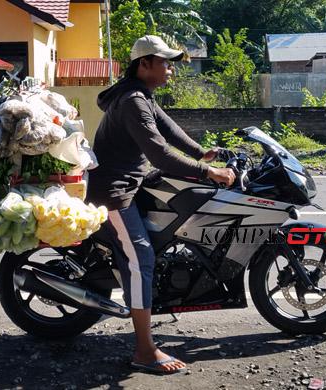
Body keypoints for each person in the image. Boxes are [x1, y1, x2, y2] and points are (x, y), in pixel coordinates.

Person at [86, 35, 236, 374]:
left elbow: (168, 129)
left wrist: (202, 153)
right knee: (142, 258)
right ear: (145, 64)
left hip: (133, 182)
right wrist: (207, 171)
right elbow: (159, 153)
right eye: (165, 62)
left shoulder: (141, 97)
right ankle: (143, 351)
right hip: (114, 193)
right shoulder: (132, 101)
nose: (171, 69)